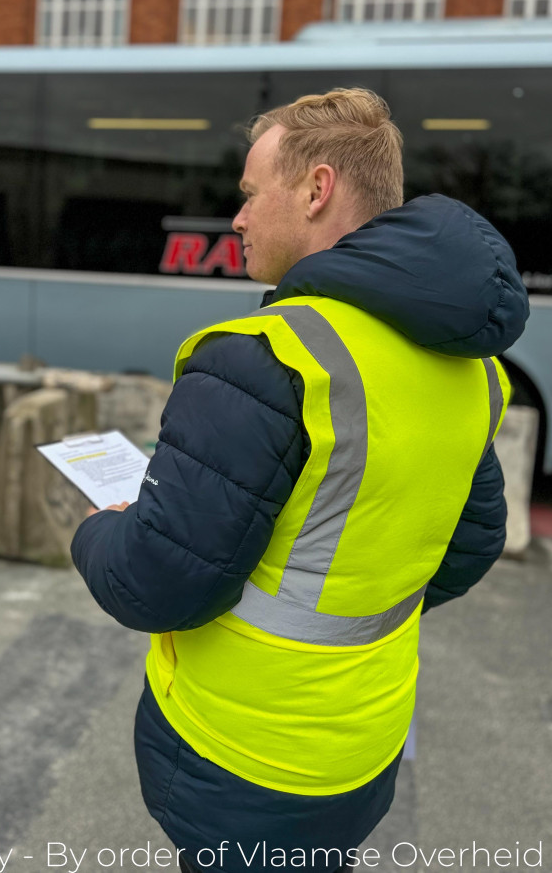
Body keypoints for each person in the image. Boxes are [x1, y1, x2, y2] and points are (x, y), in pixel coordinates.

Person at [70, 88, 529, 873]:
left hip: (241, 754)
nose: (237, 219)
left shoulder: (265, 355)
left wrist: (96, 530)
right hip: (365, 745)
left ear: (317, 189)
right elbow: (472, 542)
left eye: (251, 194)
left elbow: (155, 580)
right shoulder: (471, 369)